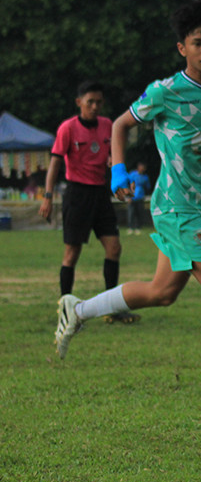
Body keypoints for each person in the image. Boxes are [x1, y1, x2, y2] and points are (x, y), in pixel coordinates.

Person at [52, 0, 201, 401]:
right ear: (182, 48)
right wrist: (119, 171)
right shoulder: (165, 92)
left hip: (197, 205)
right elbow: (122, 125)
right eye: (197, 42)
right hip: (173, 206)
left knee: (163, 292)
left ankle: (78, 309)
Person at [39, 81, 139, 324]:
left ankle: (111, 308)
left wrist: (122, 180)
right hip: (77, 195)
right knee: (72, 253)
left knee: (114, 248)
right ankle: (65, 309)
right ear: (79, 103)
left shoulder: (108, 126)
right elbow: (55, 163)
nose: (95, 106)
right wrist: (48, 196)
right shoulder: (68, 128)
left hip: (100, 194)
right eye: (90, 102)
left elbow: (114, 158)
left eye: (99, 102)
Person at [125, 161, 150, 235]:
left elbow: (147, 187)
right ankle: (130, 227)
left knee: (139, 213)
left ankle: (138, 227)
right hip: (132, 197)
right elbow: (128, 184)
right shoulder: (132, 174)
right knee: (131, 213)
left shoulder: (145, 178)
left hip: (140, 197)